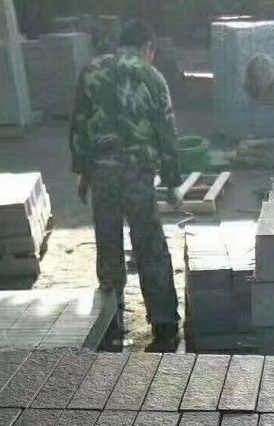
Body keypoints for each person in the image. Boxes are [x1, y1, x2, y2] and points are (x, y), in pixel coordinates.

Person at [70, 18, 181, 349]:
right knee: (149, 244)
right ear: (148, 47)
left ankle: (111, 324)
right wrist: (172, 182)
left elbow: (79, 126)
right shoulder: (151, 76)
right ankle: (164, 325)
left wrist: (83, 173)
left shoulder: (91, 70)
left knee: (108, 244)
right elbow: (166, 132)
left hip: (101, 171)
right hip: (137, 172)